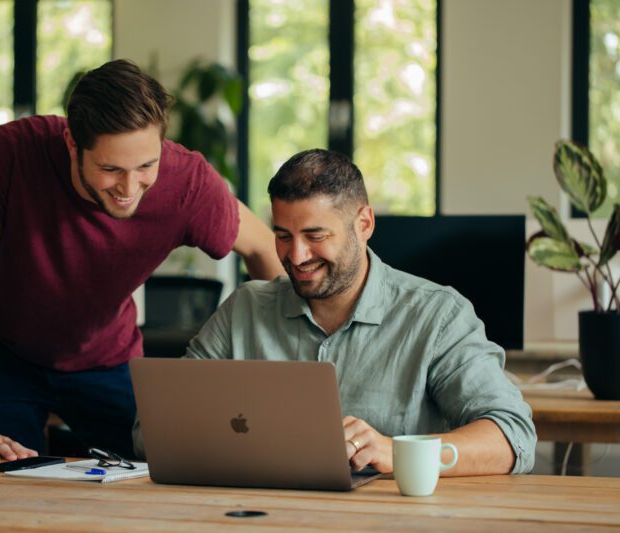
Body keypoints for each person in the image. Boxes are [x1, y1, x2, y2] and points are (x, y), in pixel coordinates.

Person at [0, 59, 284, 462]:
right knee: (2, 481)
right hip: (6, 358)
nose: (129, 187)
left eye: (146, 166)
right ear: (72, 143)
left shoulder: (187, 182)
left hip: (106, 358)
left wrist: (278, 376)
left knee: (159, 469)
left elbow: (265, 249)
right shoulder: (9, 154)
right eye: (110, 168)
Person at [163, 148, 536, 475]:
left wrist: (398, 452)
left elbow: (513, 436)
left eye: (315, 236)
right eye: (283, 236)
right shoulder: (242, 309)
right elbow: (155, 428)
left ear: (364, 224)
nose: (296, 256)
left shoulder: (437, 316)